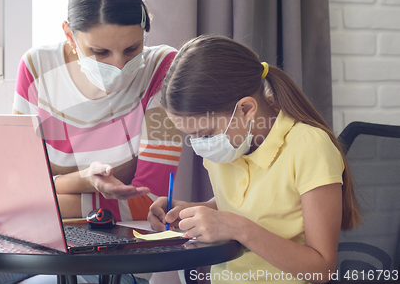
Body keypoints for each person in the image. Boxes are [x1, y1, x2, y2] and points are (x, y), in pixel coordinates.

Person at [0, 0, 182, 284]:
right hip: (32, 236)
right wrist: (77, 183)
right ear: (70, 36)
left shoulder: (165, 69)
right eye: (100, 52)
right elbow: (15, 186)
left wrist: (26, 203)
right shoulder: (37, 67)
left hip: (115, 253)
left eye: (132, 49)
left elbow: (146, 202)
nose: (119, 66)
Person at [148, 35, 361, 283]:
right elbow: (244, 203)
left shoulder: (309, 147)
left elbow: (321, 269)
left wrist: (239, 229)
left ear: (247, 109)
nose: (199, 145)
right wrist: (190, 212)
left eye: (204, 134)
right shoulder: (229, 145)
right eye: (191, 136)